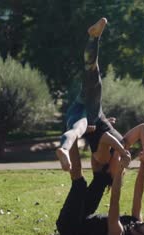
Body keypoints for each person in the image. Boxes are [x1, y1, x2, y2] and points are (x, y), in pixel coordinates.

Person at [55, 125, 144, 235]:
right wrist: (143, 163)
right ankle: (88, 134)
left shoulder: (118, 234)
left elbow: (114, 201)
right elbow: (139, 194)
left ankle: (72, 138)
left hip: (69, 227)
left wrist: (120, 169)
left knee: (80, 185)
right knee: (100, 181)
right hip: (84, 216)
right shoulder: (136, 221)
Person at [55, 17, 131, 173]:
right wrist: (105, 122)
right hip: (81, 113)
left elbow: (106, 137)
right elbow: (102, 134)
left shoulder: (103, 159)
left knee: (92, 74)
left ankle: (93, 37)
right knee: (75, 131)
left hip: (90, 113)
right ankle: (63, 149)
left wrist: (123, 153)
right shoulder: (102, 156)